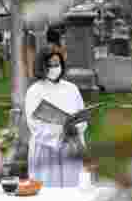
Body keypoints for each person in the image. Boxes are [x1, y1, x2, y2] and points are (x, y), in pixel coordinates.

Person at [24, 47, 87, 187]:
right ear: (42, 66)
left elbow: (82, 116)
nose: (54, 68)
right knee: (48, 191)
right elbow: (34, 124)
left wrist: (75, 128)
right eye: (50, 65)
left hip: (70, 146)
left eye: (57, 64)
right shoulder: (34, 91)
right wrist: (59, 132)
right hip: (46, 149)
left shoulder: (71, 88)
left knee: (73, 190)